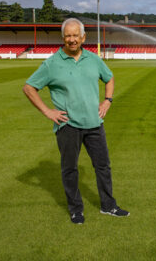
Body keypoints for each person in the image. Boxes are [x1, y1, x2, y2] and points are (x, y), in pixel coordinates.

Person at [23, 18, 129, 224]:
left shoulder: (94, 59)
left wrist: (107, 101)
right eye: (68, 36)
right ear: (63, 37)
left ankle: (109, 206)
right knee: (70, 169)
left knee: (103, 167)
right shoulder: (52, 63)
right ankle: (75, 210)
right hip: (68, 125)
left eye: (75, 35)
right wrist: (47, 112)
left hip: (95, 123)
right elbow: (29, 88)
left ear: (83, 37)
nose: (72, 40)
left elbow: (109, 78)